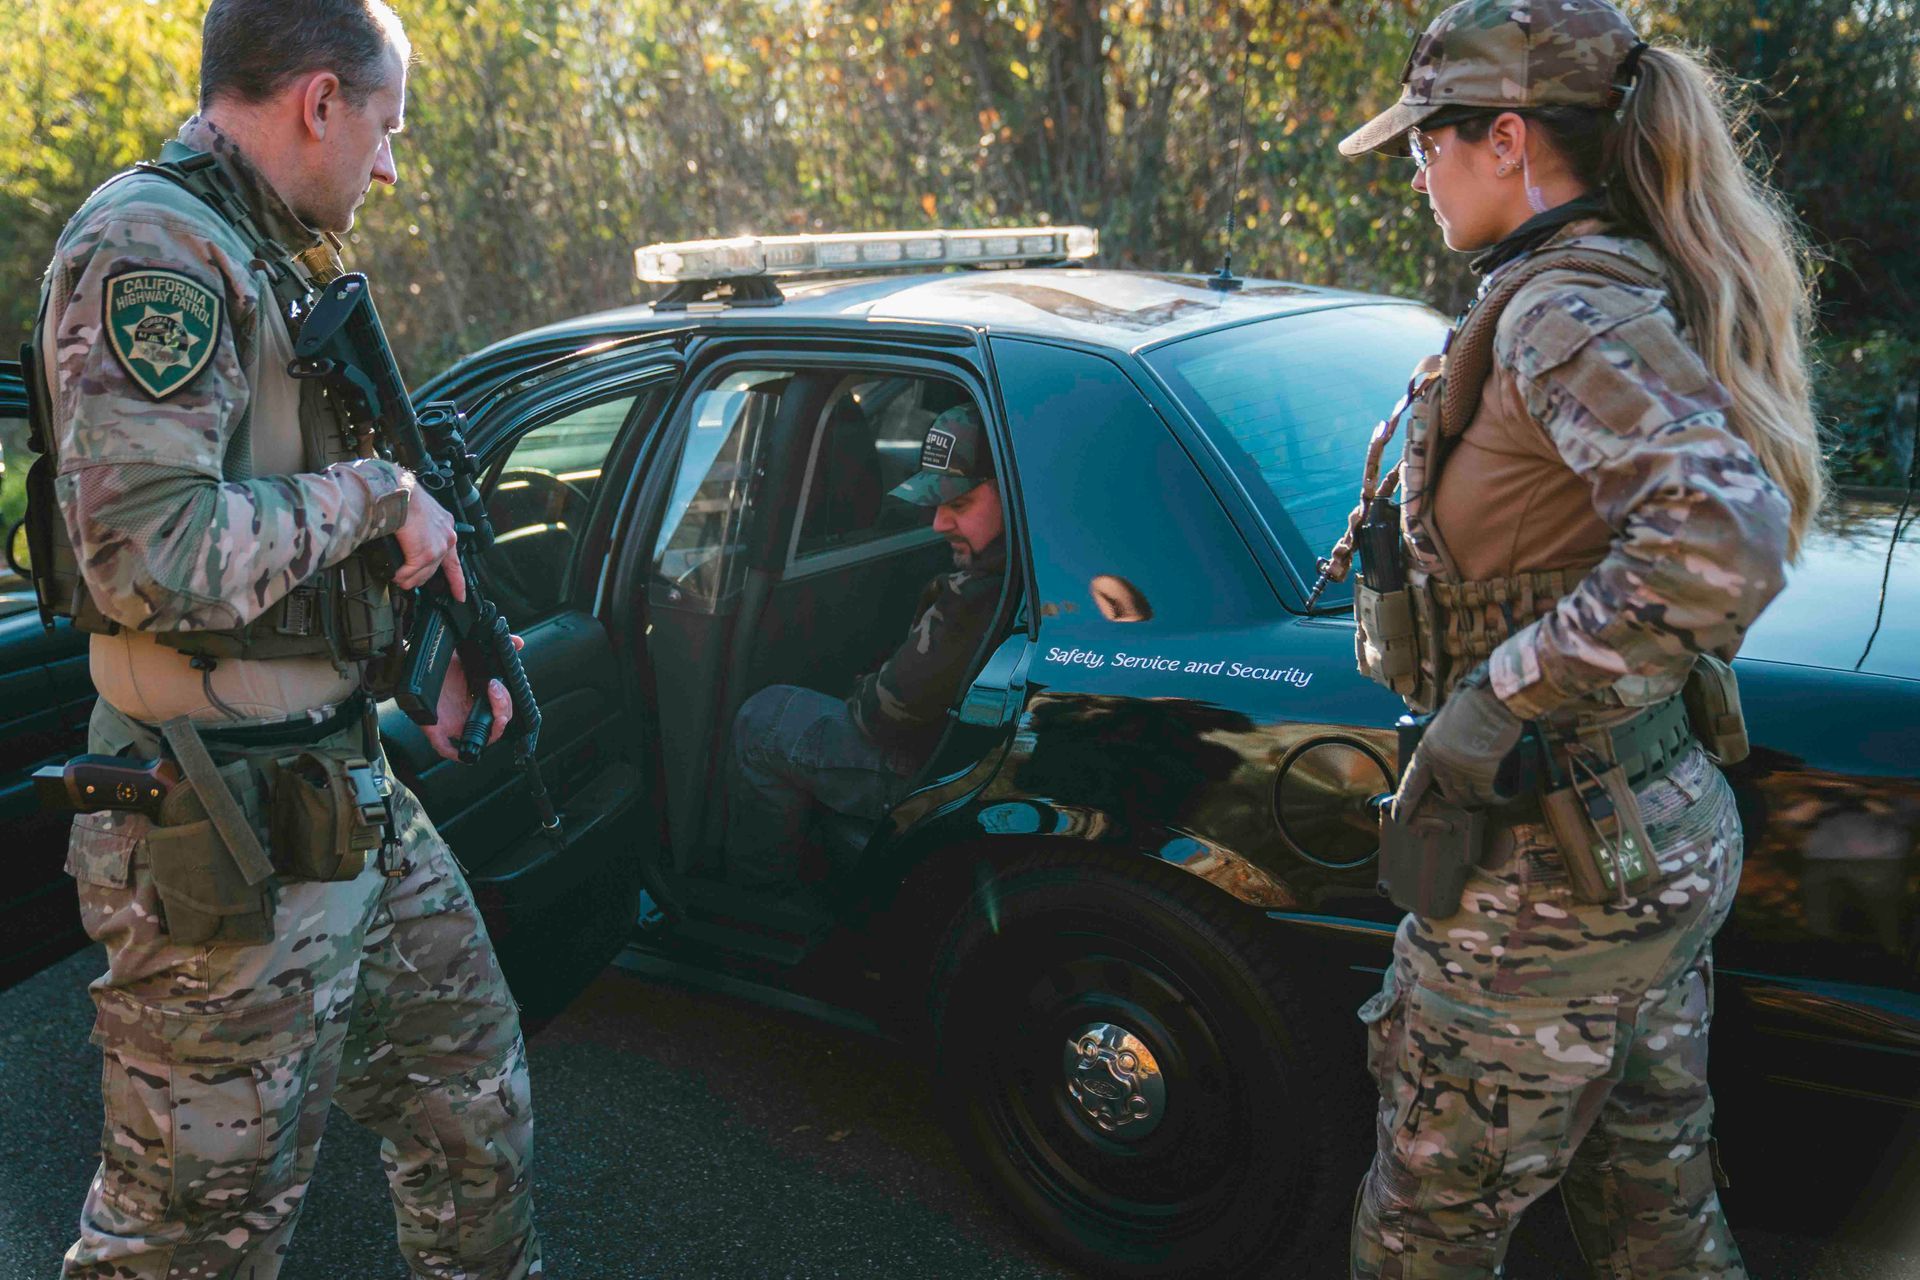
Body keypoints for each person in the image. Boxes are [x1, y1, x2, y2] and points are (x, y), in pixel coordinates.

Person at [27, 2, 541, 1275]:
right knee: (189, 1237)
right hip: (218, 823)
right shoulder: (153, 244)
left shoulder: (275, 256)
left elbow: (288, 525)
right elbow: (147, 553)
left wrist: (429, 634)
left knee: (472, 1105)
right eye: (384, 127)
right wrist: (379, 498)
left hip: (341, 779)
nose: (390, 163)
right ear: (319, 101)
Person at [1332, 0, 1825, 1275]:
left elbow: (1724, 539)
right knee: (1652, 1214)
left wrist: (1494, 698)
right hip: (1631, 842)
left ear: (1505, 138)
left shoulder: (1563, 312)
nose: (1416, 170)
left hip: (1545, 880)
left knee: (1420, 1235)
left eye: (1423, 141)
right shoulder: (1594, 285)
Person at [726, 405, 1008, 892]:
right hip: (967, 757)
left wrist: (861, 686)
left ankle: (763, 905)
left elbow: (883, 715)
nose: (939, 523)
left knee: (764, 720)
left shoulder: (982, 592)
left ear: (1012, 493)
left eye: (959, 505)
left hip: (933, 774)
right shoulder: (1028, 559)